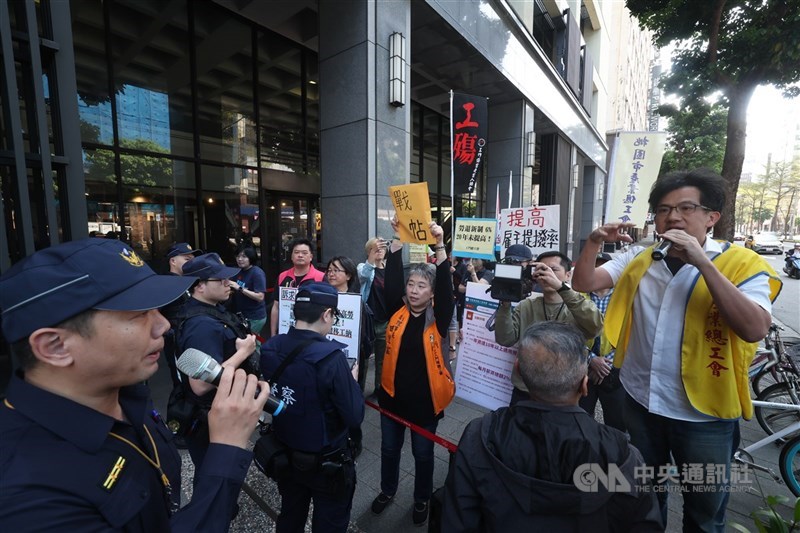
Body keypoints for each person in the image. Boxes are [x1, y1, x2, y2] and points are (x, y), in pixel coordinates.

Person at [0, 238, 270, 531]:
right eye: (139, 314)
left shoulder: (129, 393)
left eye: (157, 310)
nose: (163, 326)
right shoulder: (27, 495)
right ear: (55, 346)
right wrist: (226, 451)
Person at [571, 168, 782, 531]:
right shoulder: (641, 258)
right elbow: (584, 282)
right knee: (646, 497)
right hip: (641, 402)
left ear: (711, 217)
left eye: (686, 207)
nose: (673, 217)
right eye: (664, 209)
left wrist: (701, 262)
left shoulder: (742, 264)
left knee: (704, 512)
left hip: (705, 416)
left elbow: (753, 328)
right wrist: (593, 242)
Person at [442, 322, 662, 532]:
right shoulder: (623, 456)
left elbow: (457, 520)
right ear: (585, 384)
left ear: (518, 371)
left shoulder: (481, 435)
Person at [261, 283, 365, 533]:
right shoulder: (331, 358)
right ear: (327, 314)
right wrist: (351, 381)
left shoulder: (270, 348)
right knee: (329, 522)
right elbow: (354, 414)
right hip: (326, 462)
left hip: (285, 452)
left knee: (290, 515)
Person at [371, 219, 455, 527]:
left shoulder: (439, 318)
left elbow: (447, 289)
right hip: (391, 398)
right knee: (389, 450)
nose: (414, 290)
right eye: (412, 285)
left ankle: (421, 498)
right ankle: (387, 489)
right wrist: (397, 237)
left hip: (425, 405)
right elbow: (392, 279)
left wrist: (440, 244)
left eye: (421, 286)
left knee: (423, 455)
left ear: (431, 292)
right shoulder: (397, 310)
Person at [177, 253, 258, 470]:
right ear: (199, 286)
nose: (228, 283)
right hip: (211, 418)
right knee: (215, 481)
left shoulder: (210, 309)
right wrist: (243, 352)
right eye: (220, 280)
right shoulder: (201, 325)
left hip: (217, 413)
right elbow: (200, 385)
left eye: (227, 278)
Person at [494, 248, 603, 406]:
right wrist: (505, 302)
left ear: (568, 275)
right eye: (542, 269)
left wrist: (561, 288)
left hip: (566, 393)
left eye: (553, 269)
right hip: (526, 390)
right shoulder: (526, 306)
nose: (547, 274)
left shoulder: (578, 306)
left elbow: (596, 326)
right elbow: (505, 339)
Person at [578, 252, 626, 433]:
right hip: (583, 366)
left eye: (605, 268)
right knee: (582, 420)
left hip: (615, 369)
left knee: (617, 423)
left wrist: (605, 364)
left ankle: (615, 457)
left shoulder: (624, 296)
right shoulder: (579, 296)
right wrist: (592, 359)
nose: (600, 272)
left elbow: (630, 332)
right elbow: (570, 332)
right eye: (595, 268)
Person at [270, 238, 326, 337]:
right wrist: (273, 334)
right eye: (296, 252)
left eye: (304, 253)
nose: (300, 255)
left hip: (311, 334)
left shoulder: (320, 277)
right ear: (291, 256)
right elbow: (276, 306)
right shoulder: (283, 276)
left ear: (311, 257)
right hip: (286, 331)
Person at [357, 237, 390, 397]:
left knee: (382, 360)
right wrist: (373, 258)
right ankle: (359, 389)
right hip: (367, 322)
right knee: (363, 359)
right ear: (369, 251)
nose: (379, 250)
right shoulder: (363, 267)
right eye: (375, 248)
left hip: (385, 321)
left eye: (382, 248)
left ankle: (379, 388)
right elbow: (364, 276)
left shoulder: (390, 269)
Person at [230, 246, 268, 336]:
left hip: (255, 316)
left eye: (244, 257)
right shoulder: (239, 271)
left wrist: (240, 288)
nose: (240, 259)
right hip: (243, 314)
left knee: (250, 340)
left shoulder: (257, 273)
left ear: (251, 258)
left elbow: (260, 297)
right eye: (238, 256)